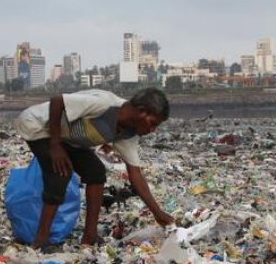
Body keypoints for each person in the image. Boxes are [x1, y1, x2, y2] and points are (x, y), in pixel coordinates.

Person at [14, 88, 175, 248]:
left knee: (96, 172)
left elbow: (135, 174)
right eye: (153, 123)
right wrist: (55, 145)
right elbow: (57, 101)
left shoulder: (128, 134)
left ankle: (90, 235)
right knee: (60, 173)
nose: (153, 130)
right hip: (38, 126)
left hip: (67, 139)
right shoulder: (104, 104)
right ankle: (41, 239)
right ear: (141, 111)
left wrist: (157, 212)